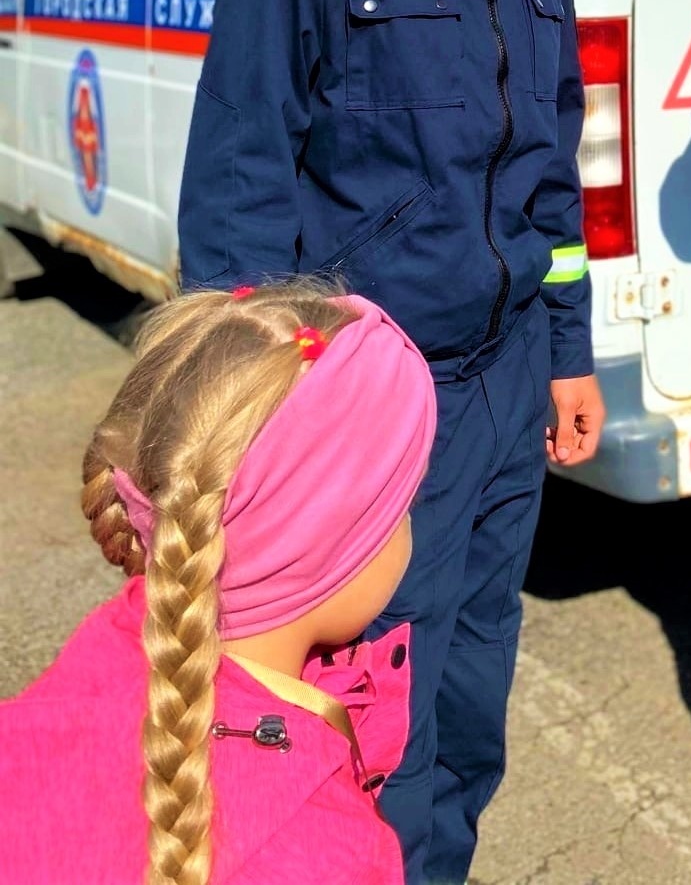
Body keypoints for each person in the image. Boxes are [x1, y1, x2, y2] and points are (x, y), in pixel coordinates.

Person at [176, 0, 605, 884]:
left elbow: (548, 170)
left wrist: (566, 357)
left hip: (507, 372)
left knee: (471, 682)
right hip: (370, 391)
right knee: (372, 704)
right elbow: (243, 183)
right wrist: (263, 407)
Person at [0, 280, 436, 885]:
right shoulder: (333, 853)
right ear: (330, 547)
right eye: (400, 503)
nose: (409, 523)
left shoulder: (92, 667)